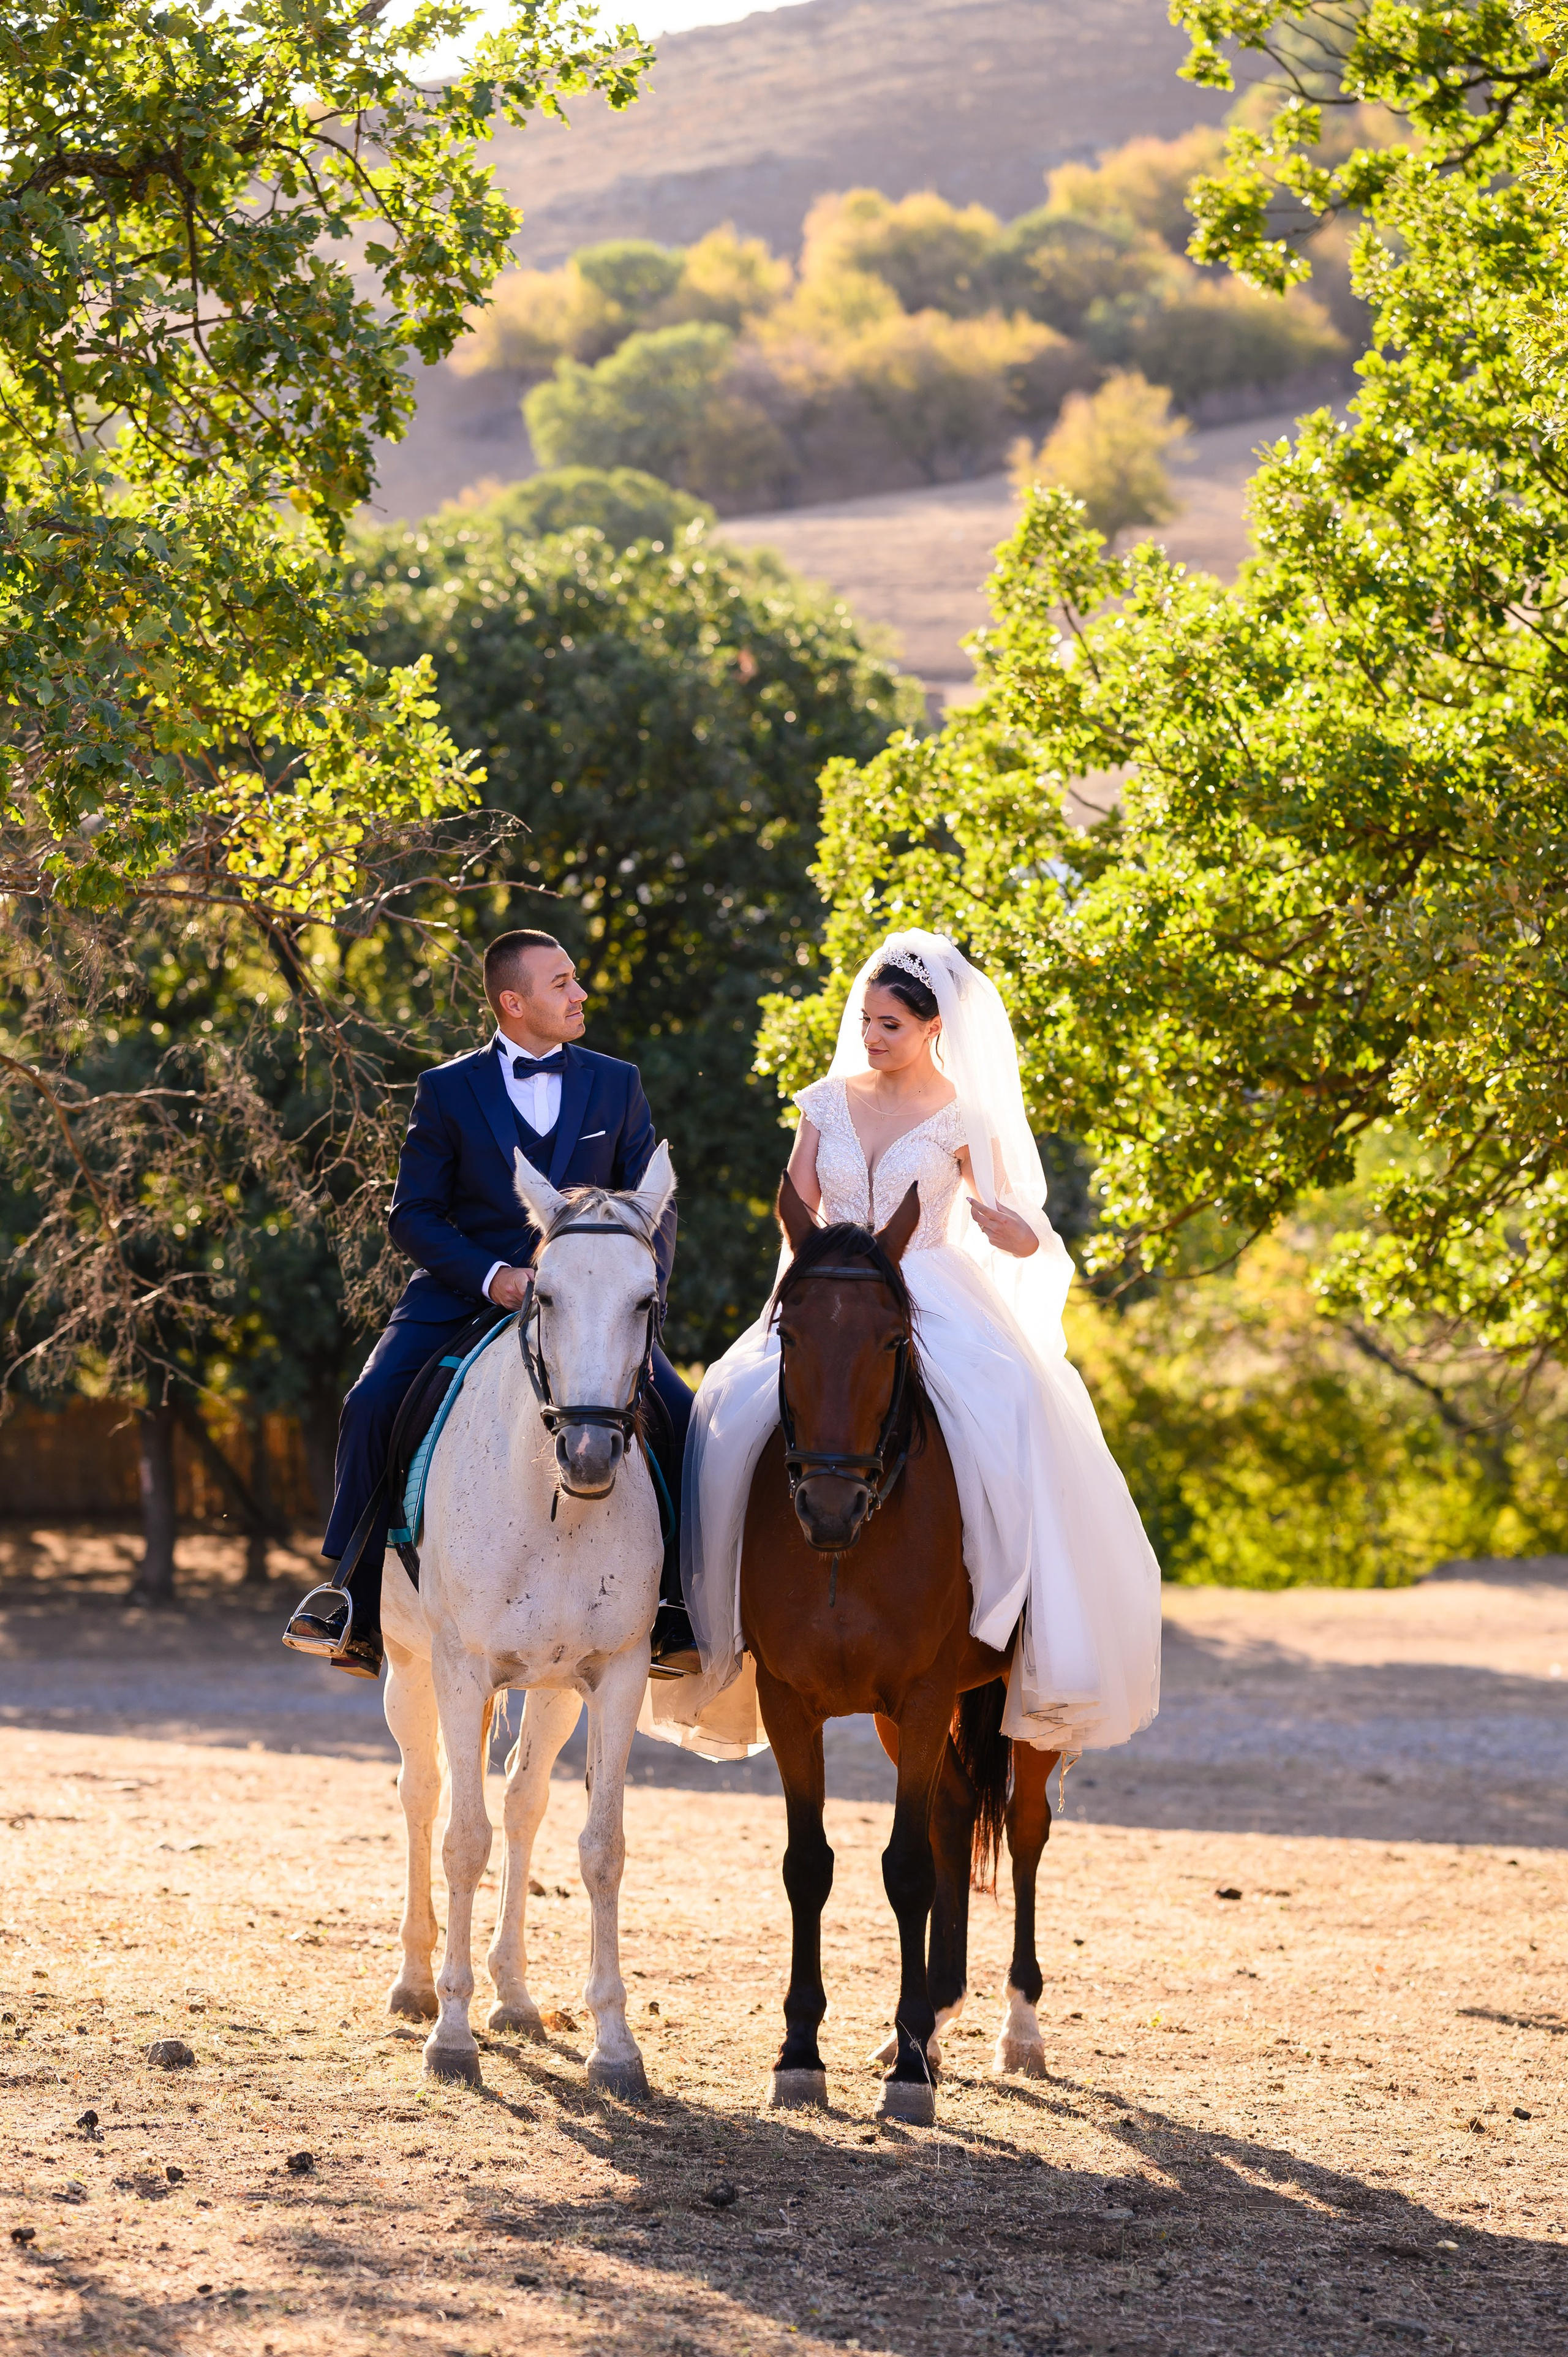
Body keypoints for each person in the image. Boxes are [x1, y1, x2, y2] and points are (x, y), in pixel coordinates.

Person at [657, 928, 1161, 1762]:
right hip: (832, 1294)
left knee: (1020, 1409)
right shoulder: (826, 1100)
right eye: (867, 1020)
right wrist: (804, 1293)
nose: (872, 1035)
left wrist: (1015, 1233)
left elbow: (1020, 1227)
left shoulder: (964, 1117)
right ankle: (713, 1628)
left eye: (890, 1024)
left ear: (934, 1029)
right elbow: (797, 1208)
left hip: (931, 1290)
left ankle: (1020, 1620)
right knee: (725, 1408)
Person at [283, 929, 699, 1680]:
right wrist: (493, 1276)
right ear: (514, 1002)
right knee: (373, 1399)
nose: (579, 995)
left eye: (575, 981)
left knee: (681, 1411)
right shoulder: (445, 1088)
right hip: (463, 1296)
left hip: (588, 1308)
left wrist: (637, 1291)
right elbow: (412, 1213)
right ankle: (350, 1596)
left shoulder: (617, 1082)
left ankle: (674, 1605)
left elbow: (654, 1208)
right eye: (562, 983)